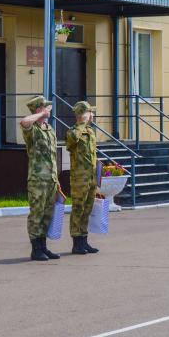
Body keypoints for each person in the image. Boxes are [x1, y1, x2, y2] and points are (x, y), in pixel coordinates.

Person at [20, 96, 61, 262]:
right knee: (37, 213)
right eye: (45, 108)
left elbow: (52, 156)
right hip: (37, 179)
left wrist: (56, 179)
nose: (48, 110)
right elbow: (24, 122)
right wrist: (40, 114)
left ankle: (43, 247)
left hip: (51, 179)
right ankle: (35, 249)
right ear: (38, 109)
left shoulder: (49, 129)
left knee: (47, 214)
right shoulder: (33, 129)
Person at [67, 101, 99, 255]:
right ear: (82, 114)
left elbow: (93, 154)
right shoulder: (73, 131)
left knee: (87, 209)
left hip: (91, 176)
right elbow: (72, 139)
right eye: (89, 112)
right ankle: (76, 243)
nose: (92, 115)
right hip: (79, 178)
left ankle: (84, 240)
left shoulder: (90, 132)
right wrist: (81, 122)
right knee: (78, 208)